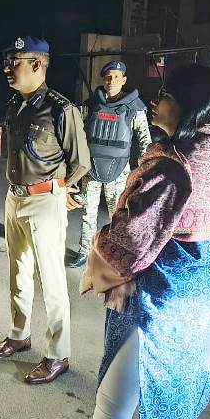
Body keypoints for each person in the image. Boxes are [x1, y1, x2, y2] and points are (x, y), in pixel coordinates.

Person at [74, 64, 210, 419]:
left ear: (188, 106)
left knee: (113, 404)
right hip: (205, 293)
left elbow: (131, 244)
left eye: (165, 95)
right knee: (181, 400)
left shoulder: (172, 165)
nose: (155, 102)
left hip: (163, 300)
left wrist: (98, 255)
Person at [0, 36, 91, 384]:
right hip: (14, 198)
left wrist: (63, 189)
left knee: (52, 279)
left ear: (36, 64)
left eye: (14, 62)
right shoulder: (15, 105)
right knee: (18, 270)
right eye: (7, 61)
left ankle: (58, 354)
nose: (7, 68)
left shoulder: (61, 109)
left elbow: (80, 162)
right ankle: (19, 334)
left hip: (44, 201)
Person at [67, 61, 151, 268]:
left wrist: (143, 173)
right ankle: (84, 252)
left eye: (116, 77)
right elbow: (78, 136)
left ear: (124, 80)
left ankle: (114, 253)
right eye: (107, 77)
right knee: (88, 213)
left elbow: (144, 141)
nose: (111, 81)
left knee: (118, 215)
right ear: (103, 80)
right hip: (91, 169)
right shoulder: (91, 105)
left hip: (119, 170)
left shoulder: (134, 108)